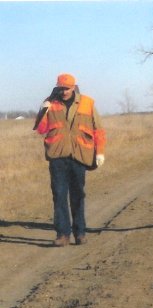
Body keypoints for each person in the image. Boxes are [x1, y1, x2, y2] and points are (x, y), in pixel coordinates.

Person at [34, 73, 106, 246]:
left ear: (74, 87)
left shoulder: (87, 102)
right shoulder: (51, 102)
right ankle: (62, 235)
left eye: (67, 88)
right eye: (61, 88)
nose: (64, 92)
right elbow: (41, 129)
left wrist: (100, 152)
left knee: (78, 196)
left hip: (79, 155)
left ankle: (80, 233)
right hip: (57, 156)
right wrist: (43, 110)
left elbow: (98, 130)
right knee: (59, 196)